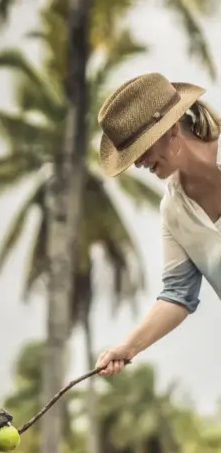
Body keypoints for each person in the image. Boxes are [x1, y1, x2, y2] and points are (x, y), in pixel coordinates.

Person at [93, 72, 221, 377]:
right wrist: (129, 346)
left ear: (171, 129)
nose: (137, 163)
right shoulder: (174, 210)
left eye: (140, 150)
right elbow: (178, 295)